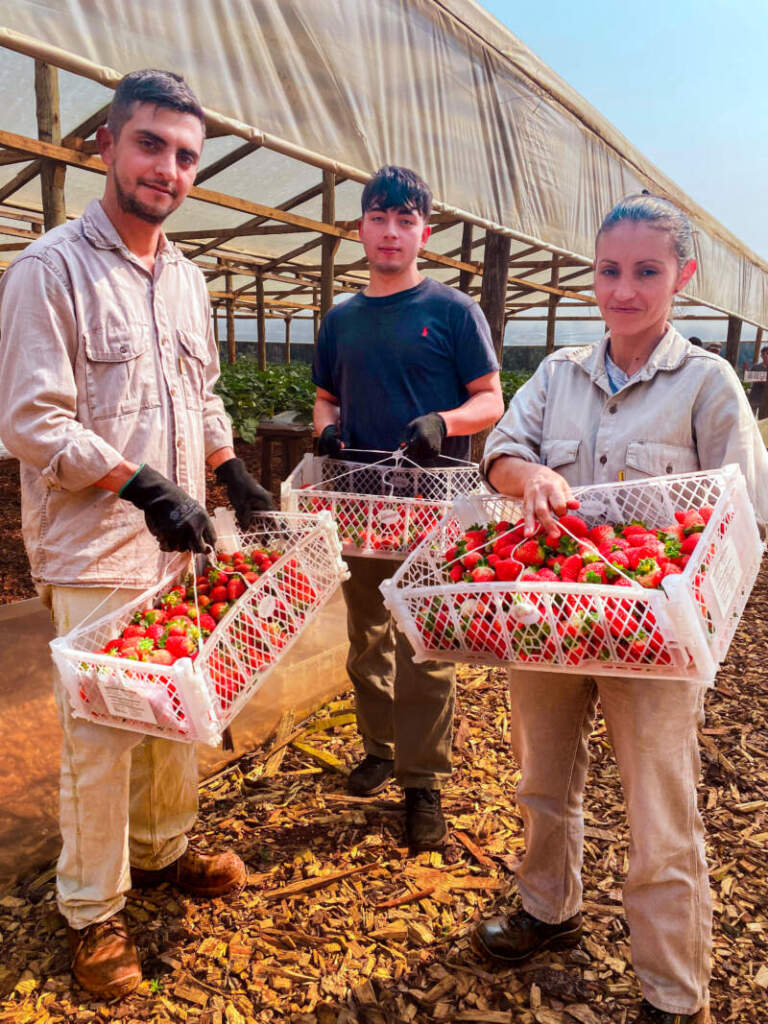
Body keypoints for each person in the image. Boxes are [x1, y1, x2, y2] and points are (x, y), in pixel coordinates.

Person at [0, 70, 272, 1000]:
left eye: (186, 155)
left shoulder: (188, 279)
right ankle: (93, 909)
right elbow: (31, 420)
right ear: (106, 145)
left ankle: (163, 850)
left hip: (178, 544)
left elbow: (201, 394)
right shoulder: (49, 271)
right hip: (97, 547)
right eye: (150, 144)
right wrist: (140, 483)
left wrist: (229, 468)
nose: (168, 168)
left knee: (176, 705)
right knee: (101, 733)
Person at [472, 193, 768, 1024]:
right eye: (609, 271)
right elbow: (501, 449)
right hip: (552, 619)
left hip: (657, 636)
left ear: (682, 277)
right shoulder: (558, 374)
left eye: (646, 271)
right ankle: (547, 910)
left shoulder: (706, 384)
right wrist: (530, 476)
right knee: (542, 781)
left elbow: (745, 513)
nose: (624, 290)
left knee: (660, 810)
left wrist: (690, 594)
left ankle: (673, 992)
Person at [312, 165, 503, 852]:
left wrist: (444, 424)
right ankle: (380, 748)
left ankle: (423, 781)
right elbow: (326, 397)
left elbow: (491, 398)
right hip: (361, 504)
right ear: (360, 228)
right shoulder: (341, 320)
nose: (390, 231)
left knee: (424, 642)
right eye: (378, 218)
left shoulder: (453, 312)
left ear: (425, 231)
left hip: (434, 508)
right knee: (366, 634)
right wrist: (325, 430)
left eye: (405, 219)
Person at [747, 346, 768, 417]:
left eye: (767, 353)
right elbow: (748, 378)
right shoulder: (755, 367)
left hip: (766, 401)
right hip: (754, 397)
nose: (766, 355)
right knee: (751, 418)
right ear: (761, 355)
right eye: (764, 353)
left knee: (763, 420)